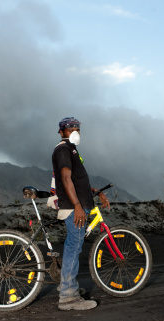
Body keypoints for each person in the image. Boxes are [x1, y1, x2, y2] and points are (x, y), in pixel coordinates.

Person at [51, 117, 111, 310]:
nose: (75, 131)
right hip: (73, 207)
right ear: (61, 132)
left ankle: (68, 285)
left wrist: (97, 192)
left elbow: (78, 180)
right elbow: (66, 178)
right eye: (70, 129)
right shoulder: (63, 150)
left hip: (78, 204)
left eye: (77, 128)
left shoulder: (72, 150)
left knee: (73, 246)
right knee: (73, 247)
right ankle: (68, 297)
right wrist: (77, 205)